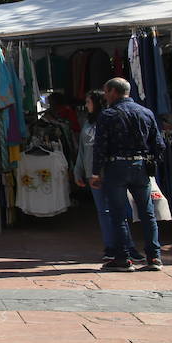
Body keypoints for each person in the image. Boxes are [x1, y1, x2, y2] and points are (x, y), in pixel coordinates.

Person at [91, 78, 166, 271]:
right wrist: (151, 163)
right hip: (141, 166)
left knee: (118, 214)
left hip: (116, 167)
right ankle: (154, 257)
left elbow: (100, 147)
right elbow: (159, 144)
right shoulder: (146, 113)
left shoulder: (108, 115)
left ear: (114, 92)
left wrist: (95, 173)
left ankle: (123, 258)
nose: (105, 96)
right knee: (147, 213)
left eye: (106, 92)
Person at [74, 90, 138, 269]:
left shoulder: (110, 120)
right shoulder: (88, 123)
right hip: (92, 173)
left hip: (111, 172)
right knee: (104, 211)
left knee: (120, 209)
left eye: (88, 102)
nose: (86, 105)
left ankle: (127, 246)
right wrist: (78, 171)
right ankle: (110, 246)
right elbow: (82, 150)